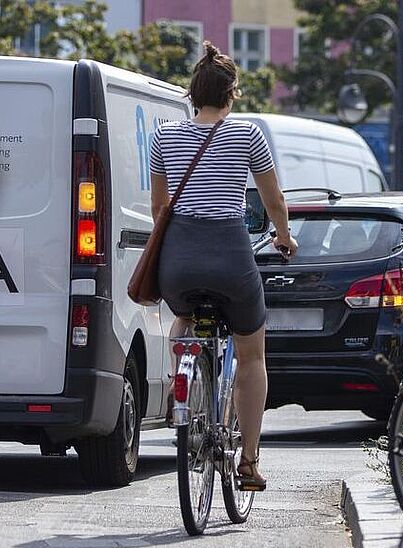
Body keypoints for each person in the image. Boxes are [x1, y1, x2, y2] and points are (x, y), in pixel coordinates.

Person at [149, 42, 297, 491]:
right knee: (252, 355)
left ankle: (181, 385)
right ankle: (248, 461)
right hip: (231, 260)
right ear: (231, 93)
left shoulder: (163, 137)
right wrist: (284, 237)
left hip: (179, 263)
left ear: (192, 94)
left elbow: (159, 209)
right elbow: (273, 200)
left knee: (183, 317)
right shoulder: (248, 135)